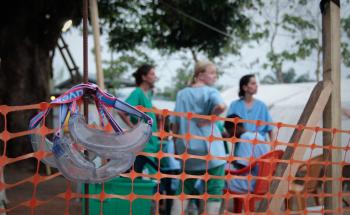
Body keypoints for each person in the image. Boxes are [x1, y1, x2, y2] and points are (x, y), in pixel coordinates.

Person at [170, 60, 227, 215]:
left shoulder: (181, 94)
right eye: (212, 73)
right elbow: (221, 106)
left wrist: (176, 146)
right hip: (211, 150)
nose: (215, 77)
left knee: (184, 189)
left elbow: (174, 124)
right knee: (214, 190)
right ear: (200, 75)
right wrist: (209, 118)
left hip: (187, 150)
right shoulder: (210, 91)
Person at [119, 64, 159, 173]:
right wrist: (133, 128)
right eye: (152, 74)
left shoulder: (148, 94)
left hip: (152, 142)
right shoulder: (137, 93)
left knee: (148, 175)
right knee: (151, 176)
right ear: (144, 77)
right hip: (143, 143)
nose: (155, 76)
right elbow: (121, 111)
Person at [224, 114, 271, 193]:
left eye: (229, 132)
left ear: (236, 128)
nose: (229, 135)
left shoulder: (245, 138)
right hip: (264, 182)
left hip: (252, 183)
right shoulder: (257, 135)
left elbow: (242, 166)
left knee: (214, 178)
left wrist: (229, 163)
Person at [227, 74, 274, 141]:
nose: (256, 85)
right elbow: (229, 128)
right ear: (244, 87)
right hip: (242, 144)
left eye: (256, 83)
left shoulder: (262, 106)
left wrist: (272, 147)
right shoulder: (234, 105)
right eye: (253, 83)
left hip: (260, 144)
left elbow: (270, 129)